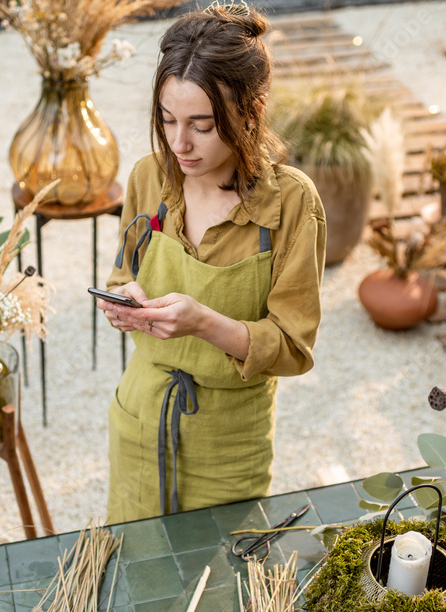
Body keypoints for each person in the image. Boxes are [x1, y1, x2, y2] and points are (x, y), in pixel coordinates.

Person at [98, 2, 326, 524]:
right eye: (167, 120)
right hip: (140, 418)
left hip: (230, 443)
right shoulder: (147, 180)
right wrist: (123, 301)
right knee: (139, 576)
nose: (180, 143)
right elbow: (122, 274)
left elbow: (292, 349)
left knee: (219, 591)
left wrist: (203, 322)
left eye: (202, 125)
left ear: (252, 109)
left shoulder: (290, 204)